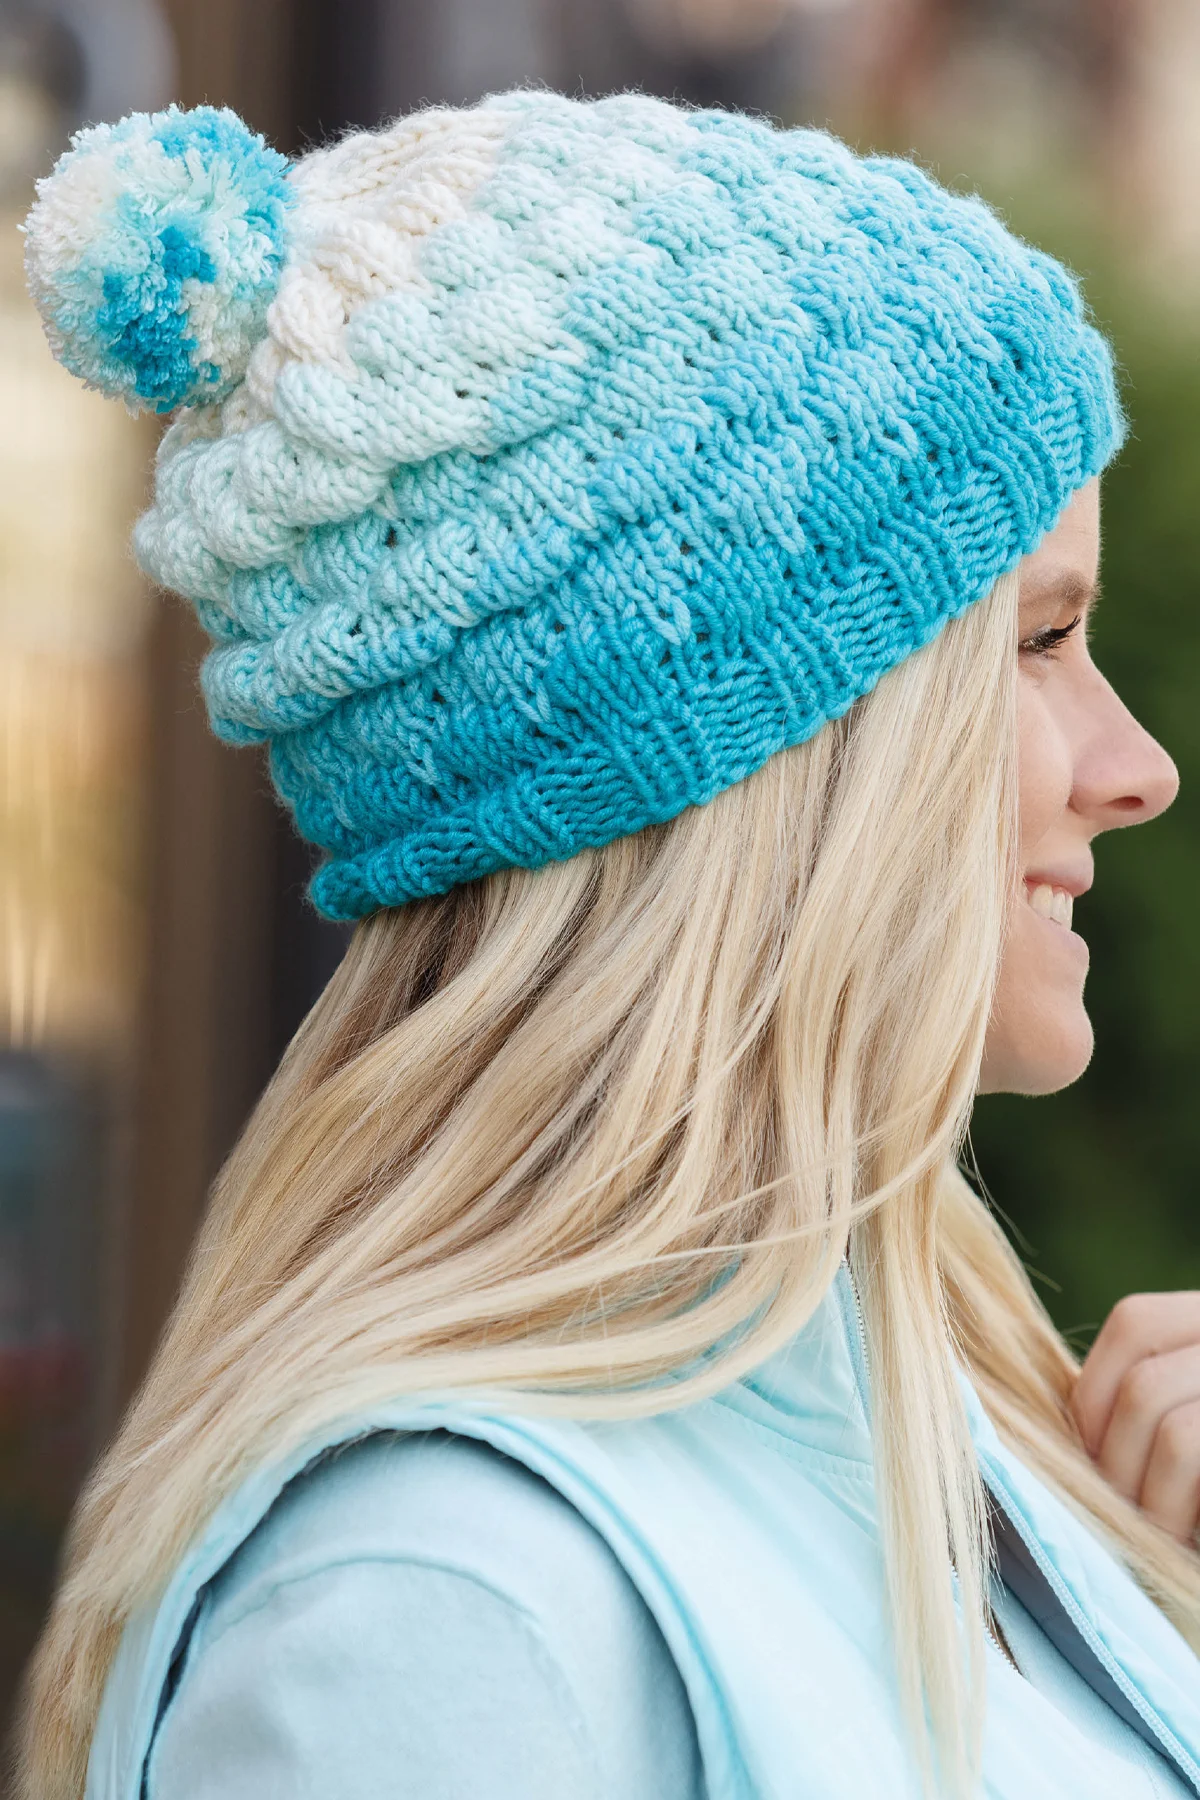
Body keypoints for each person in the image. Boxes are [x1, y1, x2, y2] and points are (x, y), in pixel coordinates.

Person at [16, 89, 1200, 1800]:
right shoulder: (439, 1610)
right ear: (764, 755)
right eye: (1040, 640)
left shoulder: (972, 1455)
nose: (1137, 769)